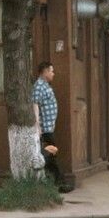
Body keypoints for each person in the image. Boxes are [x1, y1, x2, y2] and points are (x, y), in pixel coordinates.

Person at [32, 62, 71, 192]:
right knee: (51, 155)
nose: (53, 74)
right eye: (51, 71)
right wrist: (37, 125)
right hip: (44, 129)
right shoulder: (39, 86)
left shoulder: (45, 85)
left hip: (48, 128)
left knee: (49, 156)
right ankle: (60, 184)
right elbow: (35, 104)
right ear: (45, 72)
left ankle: (52, 183)